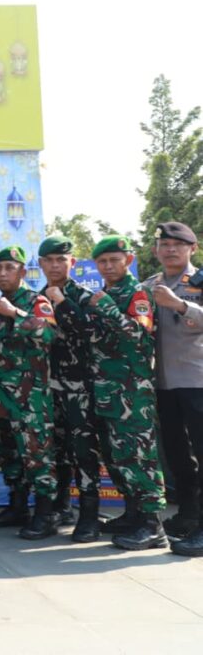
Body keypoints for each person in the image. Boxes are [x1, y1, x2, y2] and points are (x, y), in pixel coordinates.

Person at [91, 235, 168, 550]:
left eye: (114, 260)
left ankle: (152, 524)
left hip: (132, 389)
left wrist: (107, 307)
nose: (108, 266)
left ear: (129, 260)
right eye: (103, 262)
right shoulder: (106, 292)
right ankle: (133, 513)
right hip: (107, 389)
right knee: (118, 455)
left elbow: (137, 333)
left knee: (139, 454)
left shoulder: (138, 293)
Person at [38, 235, 115, 542]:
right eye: (49, 260)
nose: (55, 265)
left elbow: (90, 333)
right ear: (41, 264)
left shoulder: (84, 296)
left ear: (72, 262)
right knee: (56, 449)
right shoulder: (36, 297)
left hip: (80, 388)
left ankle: (89, 513)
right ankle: (60, 506)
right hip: (48, 387)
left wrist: (62, 303)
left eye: (61, 260)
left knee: (83, 451)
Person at [0, 245, 60, 540]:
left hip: (31, 395)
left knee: (36, 452)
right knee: (7, 451)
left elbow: (50, 334)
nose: (3, 273)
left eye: (9, 267)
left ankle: (46, 513)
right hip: (0, 395)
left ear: (21, 271)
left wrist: (15, 313)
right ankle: (18, 506)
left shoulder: (35, 300)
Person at [144, 221, 203, 557]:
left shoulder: (199, 281)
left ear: (191, 249)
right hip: (163, 382)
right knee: (177, 455)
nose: (169, 250)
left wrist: (180, 306)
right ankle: (189, 515)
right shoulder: (148, 285)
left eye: (177, 245)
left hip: (196, 380)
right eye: (164, 244)